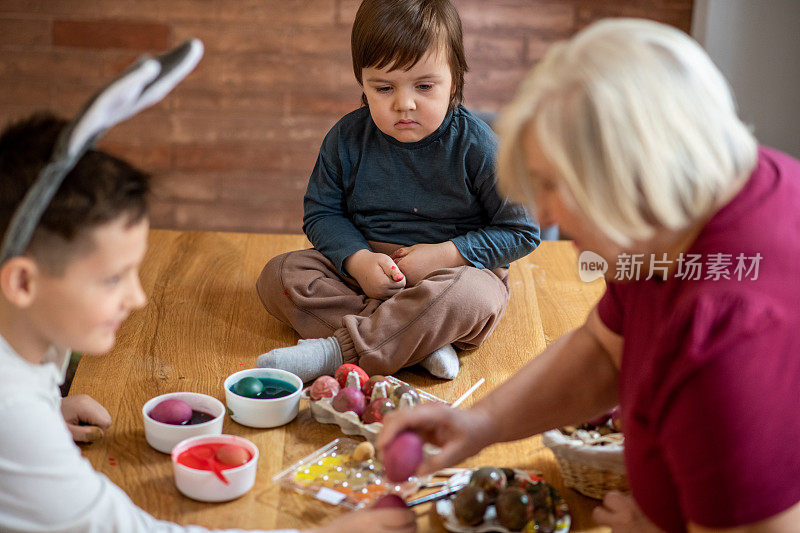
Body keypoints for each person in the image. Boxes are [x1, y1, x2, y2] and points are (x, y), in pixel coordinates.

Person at [378, 18, 800, 533]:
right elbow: (606, 348)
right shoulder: (674, 219)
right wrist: (478, 424)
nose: (548, 214)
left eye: (555, 184)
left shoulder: (730, 341)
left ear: (635, 174)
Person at [0, 113, 416, 533]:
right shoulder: (13, 416)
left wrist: (47, 407)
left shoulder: (23, 346)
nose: (137, 297)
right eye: (111, 278)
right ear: (21, 281)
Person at [255, 0, 540, 383]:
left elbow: (522, 230)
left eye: (424, 86)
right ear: (363, 82)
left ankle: (340, 350)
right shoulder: (347, 137)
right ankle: (416, 340)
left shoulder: (478, 146)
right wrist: (357, 261)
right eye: (384, 87)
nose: (404, 104)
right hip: (367, 274)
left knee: (474, 296)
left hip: (449, 275)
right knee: (279, 275)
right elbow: (322, 213)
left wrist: (446, 254)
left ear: (453, 80)